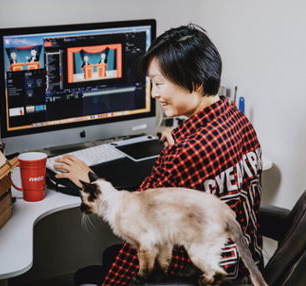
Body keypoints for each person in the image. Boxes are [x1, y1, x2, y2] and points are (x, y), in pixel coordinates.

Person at [53, 23, 264, 285]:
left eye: (159, 84)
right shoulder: (238, 119)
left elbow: (139, 228)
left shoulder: (184, 155)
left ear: (195, 83)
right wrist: (180, 140)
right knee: (110, 253)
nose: (154, 94)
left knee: (92, 272)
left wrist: (90, 178)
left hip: (205, 274)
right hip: (246, 263)